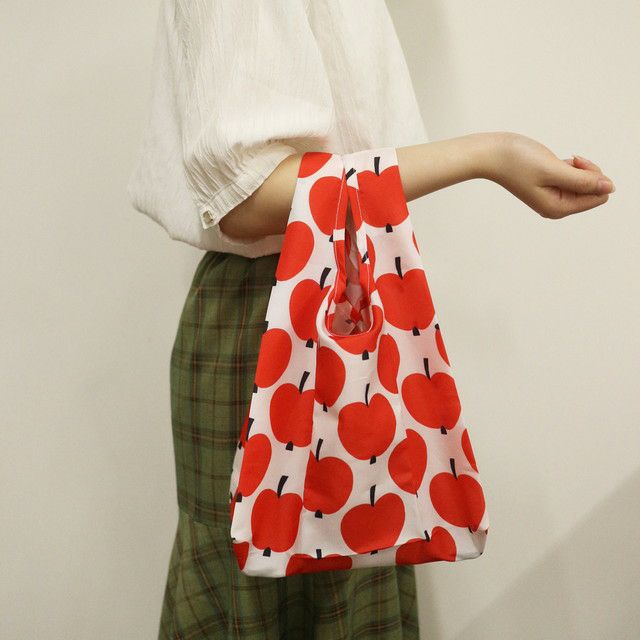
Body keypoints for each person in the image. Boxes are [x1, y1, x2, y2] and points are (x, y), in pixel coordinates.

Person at [127, 2, 615, 638]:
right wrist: (490, 155)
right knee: (277, 598)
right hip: (275, 319)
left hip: (335, 295)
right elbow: (245, 197)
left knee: (352, 578)